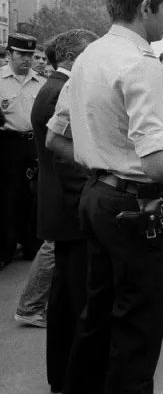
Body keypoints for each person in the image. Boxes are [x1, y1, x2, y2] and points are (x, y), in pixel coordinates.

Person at [59, 0, 163, 394]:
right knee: (138, 326)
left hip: (97, 198)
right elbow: (157, 163)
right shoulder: (141, 63)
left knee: (97, 313)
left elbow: (55, 136)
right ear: (147, 6)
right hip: (138, 207)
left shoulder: (89, 55)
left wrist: (101, 157)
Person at [23, 29, 96, 392]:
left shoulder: (52, 86)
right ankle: (72, 376)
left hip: (60, 204)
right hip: (70, 207)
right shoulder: (61, 91)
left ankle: (64, 376)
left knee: (66, 297)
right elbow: (67, 158)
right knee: (73, 300)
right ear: (73, 56)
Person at [0, 33, 45, 270]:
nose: (27, 59)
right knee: (8, 196)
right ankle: (5, 248)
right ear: (9, 54)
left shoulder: (41, 81)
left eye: (30, 55)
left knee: (33, 195)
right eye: (22, 54)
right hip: (7, 144)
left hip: (33, 143)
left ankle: (30, 244)